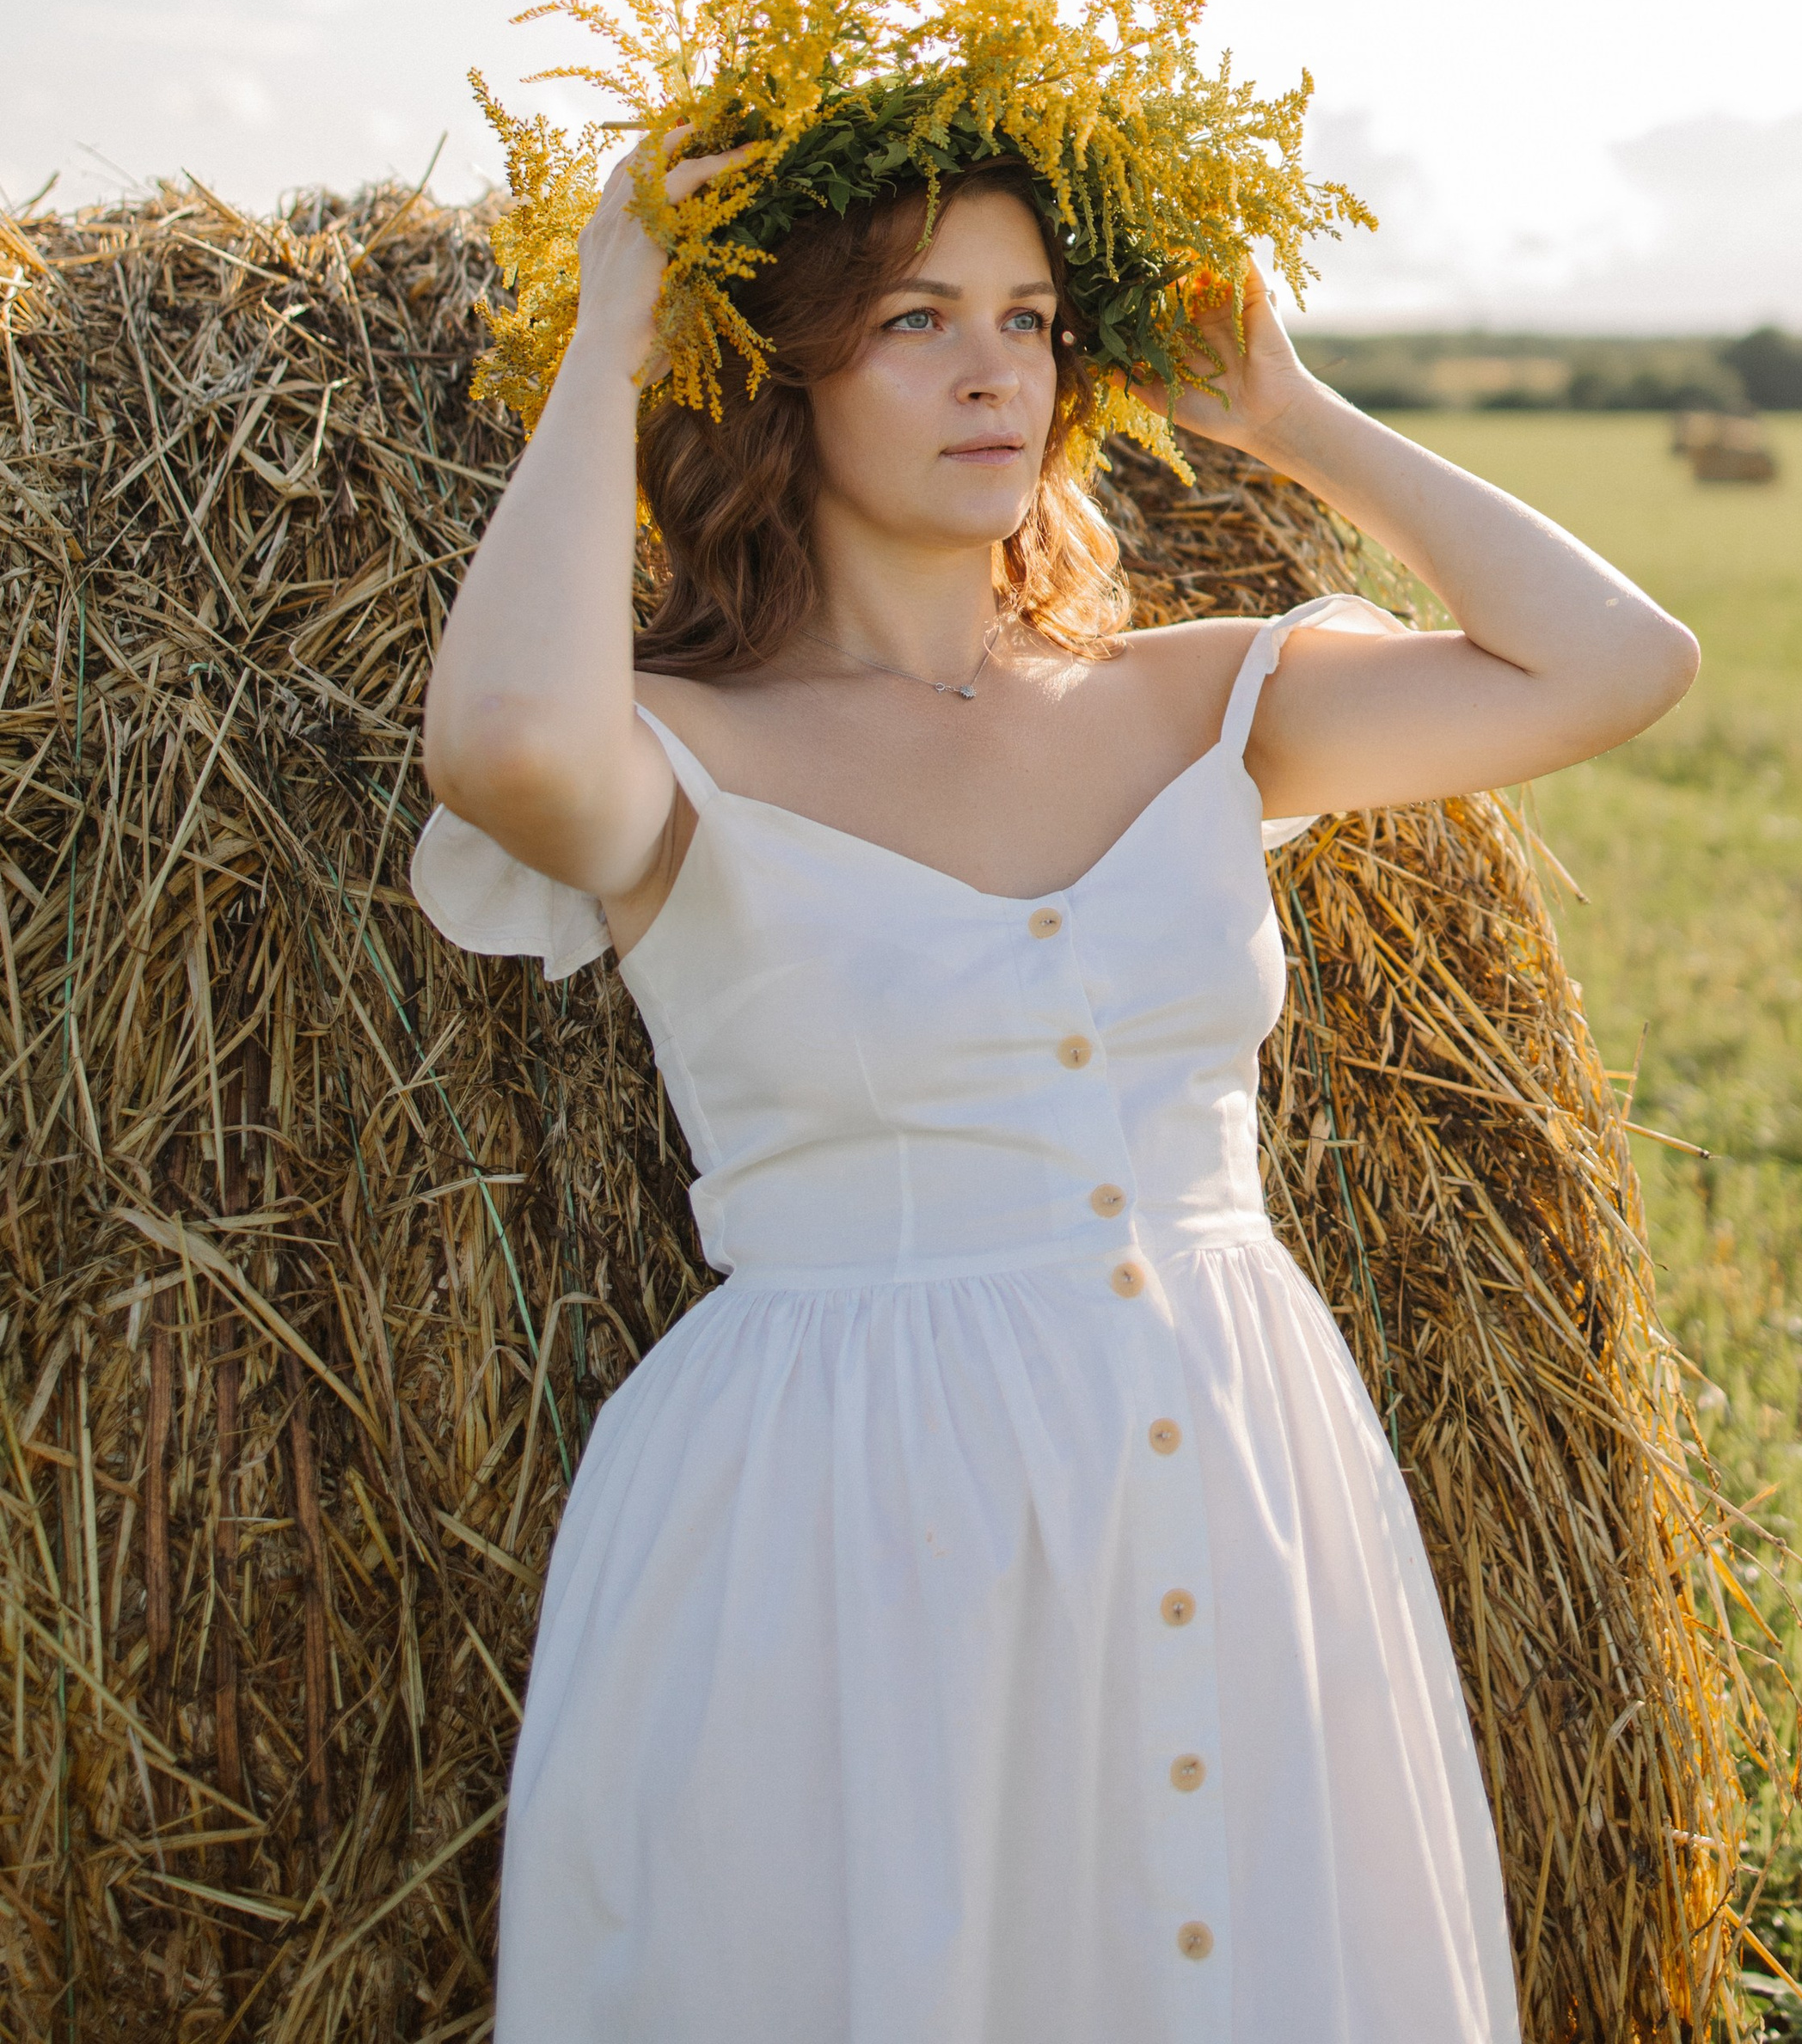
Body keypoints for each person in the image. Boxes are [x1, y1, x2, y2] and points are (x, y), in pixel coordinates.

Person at [412, 136, 1698, 2043]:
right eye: (911, 322)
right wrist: (611, 346)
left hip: (1232, 1449)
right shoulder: (679, 747)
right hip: (845, 1504)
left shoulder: (1196, 700)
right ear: (776, 372)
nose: (989, 371)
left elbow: (1612, 662)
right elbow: (504, 744)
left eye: (1023, 321)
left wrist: (1288, 412)